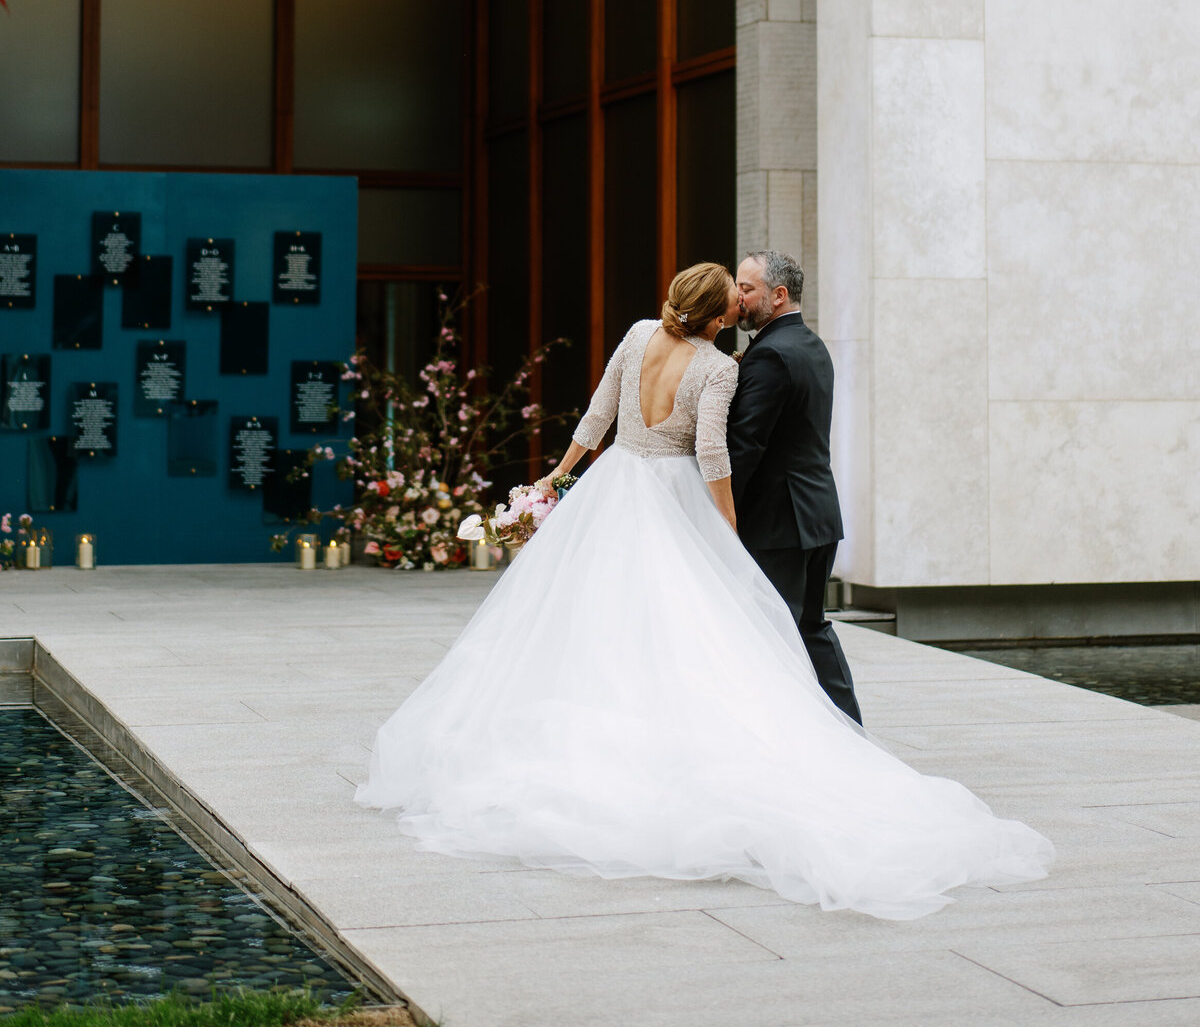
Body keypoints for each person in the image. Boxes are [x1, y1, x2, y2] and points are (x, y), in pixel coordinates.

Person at [356, 261, 1053, 918]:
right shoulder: (718, 369)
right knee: (681, 633)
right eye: (732, 300)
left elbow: (595, 419)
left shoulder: (634, 338)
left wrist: (555, 481)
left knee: (590, 625)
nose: (738, 308)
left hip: (612, 492)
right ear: (718, 315)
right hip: (669, 500)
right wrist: (725, 535)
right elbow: (715, 457)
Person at [727, 249, 861, 723]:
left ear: (778, 295)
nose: (737, 298)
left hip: (779, 523)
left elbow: (746, 446)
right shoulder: (811, 344)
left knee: (774, 633)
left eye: (747, 289)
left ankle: (789, 737)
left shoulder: (770, 355)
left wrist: (718, 509)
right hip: (818, 516)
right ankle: (848, 731)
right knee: (811, 628)